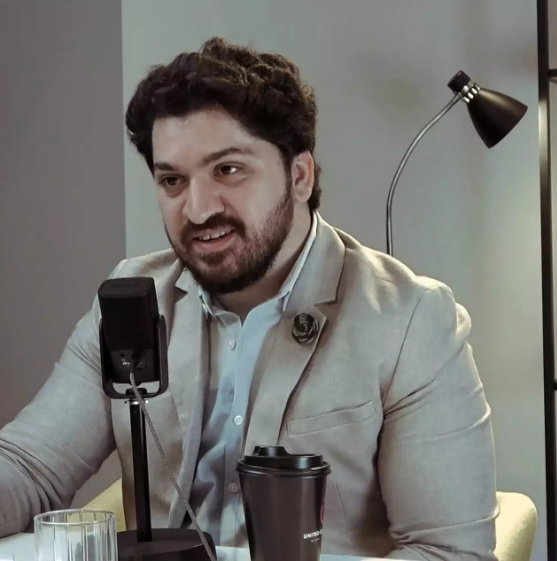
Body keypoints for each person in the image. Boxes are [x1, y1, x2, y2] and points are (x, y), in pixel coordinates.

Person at [0, 37, 497, 560]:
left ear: (299, 176)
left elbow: (450, 552)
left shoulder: (411, 320)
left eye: (228, 170)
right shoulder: (133, 298)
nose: (197, 209)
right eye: (172, 180)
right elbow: (30, 467)